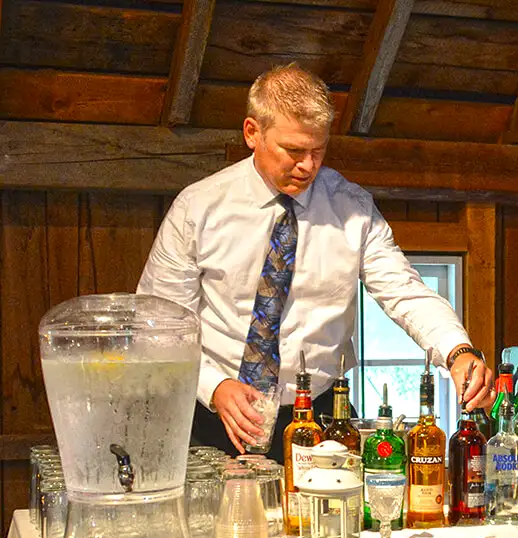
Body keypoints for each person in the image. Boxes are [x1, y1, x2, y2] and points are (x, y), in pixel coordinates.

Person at [138, 63, 493, 458]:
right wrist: (214, 387)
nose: (308, 166)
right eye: (293, 151)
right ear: (252, 133)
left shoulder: (352, 208)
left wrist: (458, 351)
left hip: (322, 416)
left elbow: (405, 293)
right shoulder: (197, 208)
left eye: (318, 150)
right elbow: (157, 326)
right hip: (210, 417)